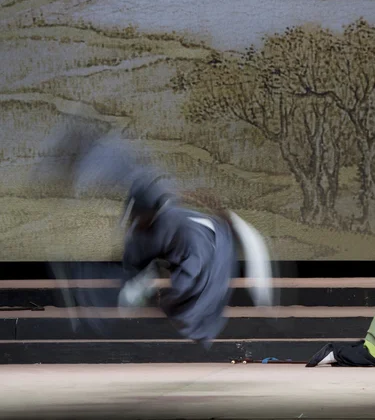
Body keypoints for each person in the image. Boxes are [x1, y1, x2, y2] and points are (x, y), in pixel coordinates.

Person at [36, 126, 273, 346]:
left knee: (189, 297)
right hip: (179, 244)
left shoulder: (179, 227)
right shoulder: (140, 231)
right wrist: (136, 289)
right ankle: (87, 148)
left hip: (210, 247)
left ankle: (176, 300)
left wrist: (171, 296)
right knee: (125, 284)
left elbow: (196, 264)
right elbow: (133, 267)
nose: (138, 223)